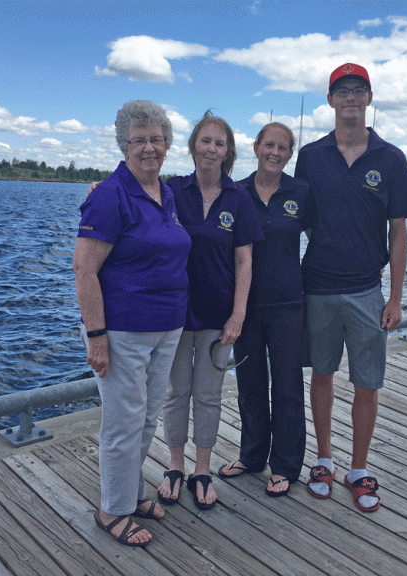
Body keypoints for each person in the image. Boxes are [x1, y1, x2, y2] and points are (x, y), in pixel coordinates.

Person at [294, 63, 407, 512]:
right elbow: (293, 215)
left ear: (369, 98)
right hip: (317, 288)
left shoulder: (390, 158)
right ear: (330, 100)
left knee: (367, 383)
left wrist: (397, 297)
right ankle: (324, 459)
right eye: (341, 91)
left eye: (357, 90)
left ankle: (359, 469)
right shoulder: (309, 157)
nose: (350, 98)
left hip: (368, 290)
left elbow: (398, 231)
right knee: (321, 374)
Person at [73, 100, 191, 547]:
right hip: (122, 330)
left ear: (166, 145)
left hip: (167, 327)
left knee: (145, 418)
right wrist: (96, 336)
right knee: (123, 422)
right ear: (124, 145)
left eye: (156, 139)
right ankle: (112, 510)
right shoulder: (109, 195)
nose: (148, 147)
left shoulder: (168, 193)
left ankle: (130, 493)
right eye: (138, 140)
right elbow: (84, 270)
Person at [157, 111, 264, 510]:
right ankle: (174, 466)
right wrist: (98, 188)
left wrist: (238, 314)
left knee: (207, 395)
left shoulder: (239, 199)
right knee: (175, 393)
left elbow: (244, 262)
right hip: (174, 314)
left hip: (219, 319)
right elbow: (132, 197)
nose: (212, 149)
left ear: (228, 151)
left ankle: (201, 470)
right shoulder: (171, 191)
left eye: (220, 143)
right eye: (205, 141)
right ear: (193, 146)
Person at [217, 122, 311, 497]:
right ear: (255, 147)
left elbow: (324, 238)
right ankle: (252, 456)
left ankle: (286, 465)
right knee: (250, 383)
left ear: (290, 154)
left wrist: (370, 259)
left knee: (288, 386)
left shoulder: (301, 192)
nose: (275, 152)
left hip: (289, 303)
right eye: (268, 145)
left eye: (283, 148)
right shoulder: (235, 191)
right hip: (245, 306)